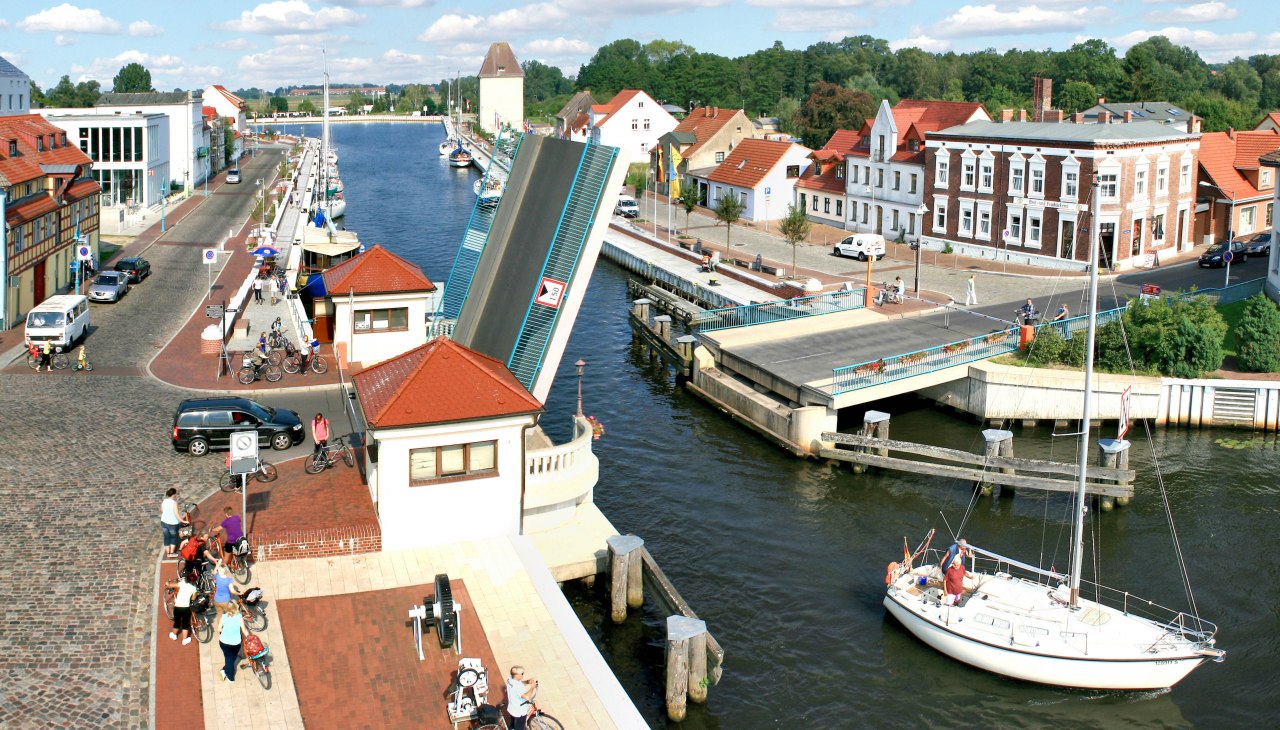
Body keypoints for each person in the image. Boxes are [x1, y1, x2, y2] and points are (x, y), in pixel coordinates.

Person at [216, 601, 248, 682]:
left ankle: (225, 670)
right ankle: (230, 677)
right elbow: (244, 630)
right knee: (232, 658)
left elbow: (219, 629)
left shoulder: (223, 617)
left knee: (229, 658)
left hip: (224, 642)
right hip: (236, 643)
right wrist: (250, 637)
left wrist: (224, 631)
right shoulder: (239, 616)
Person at [167, 572, 198, 646]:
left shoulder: (181, 584)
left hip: (177, 607)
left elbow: (169, 585)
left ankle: (174, 635)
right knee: (185, 624)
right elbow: (193, 598)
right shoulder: (194, 588)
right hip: (186, 608)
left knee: (177, 623)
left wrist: (167, 582)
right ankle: (185, 639)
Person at [505, 665, 538, 730]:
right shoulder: (518, 687)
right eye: (522, 673)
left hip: (512, 708)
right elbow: (527, 697)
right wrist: (532, 688)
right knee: (519, 728)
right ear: (517, 675)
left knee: (512, 725)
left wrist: (527, 682)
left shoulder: (510, 679)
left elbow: (518, 682)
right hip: (519, 712)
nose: (523, 675)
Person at [161, 488, 184, 558]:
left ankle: (167, 552)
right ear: (174, 494)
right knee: (173, 537)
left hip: (164, 521)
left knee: (166, 537)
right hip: (172, 523)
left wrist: (167, 514)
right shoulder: (174, 503)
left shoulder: (164, 501)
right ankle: (171, 553)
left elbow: (161, 510)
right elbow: (176, 513)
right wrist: (182, 521)